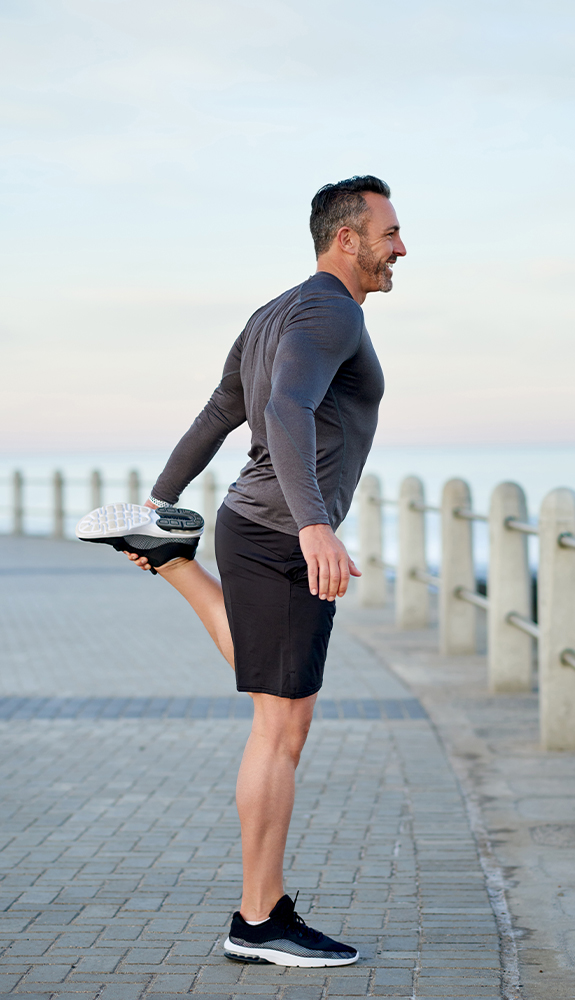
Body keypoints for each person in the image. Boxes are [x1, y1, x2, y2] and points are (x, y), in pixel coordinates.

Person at [78, 175, 406, 966]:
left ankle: (171, 561)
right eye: (389, 231)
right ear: (345, 238)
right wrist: (315, 525)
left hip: (249, 527)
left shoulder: (271, 314)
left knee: (272, 691)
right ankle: (258, 919)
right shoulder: (329, 311)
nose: (401, 245)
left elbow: (217, 413)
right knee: (280, 726)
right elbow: (285, 408)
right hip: (278, 533)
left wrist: (160, 502)